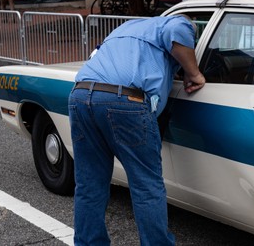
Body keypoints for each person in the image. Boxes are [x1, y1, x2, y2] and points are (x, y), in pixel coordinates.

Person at [68, 15, 205, 246]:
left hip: (80, 95)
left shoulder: (129, 26)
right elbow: (176, 31)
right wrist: (194, 73)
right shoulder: (176, 22)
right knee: (146, 186)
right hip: (125, 100)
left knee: (89, 184)